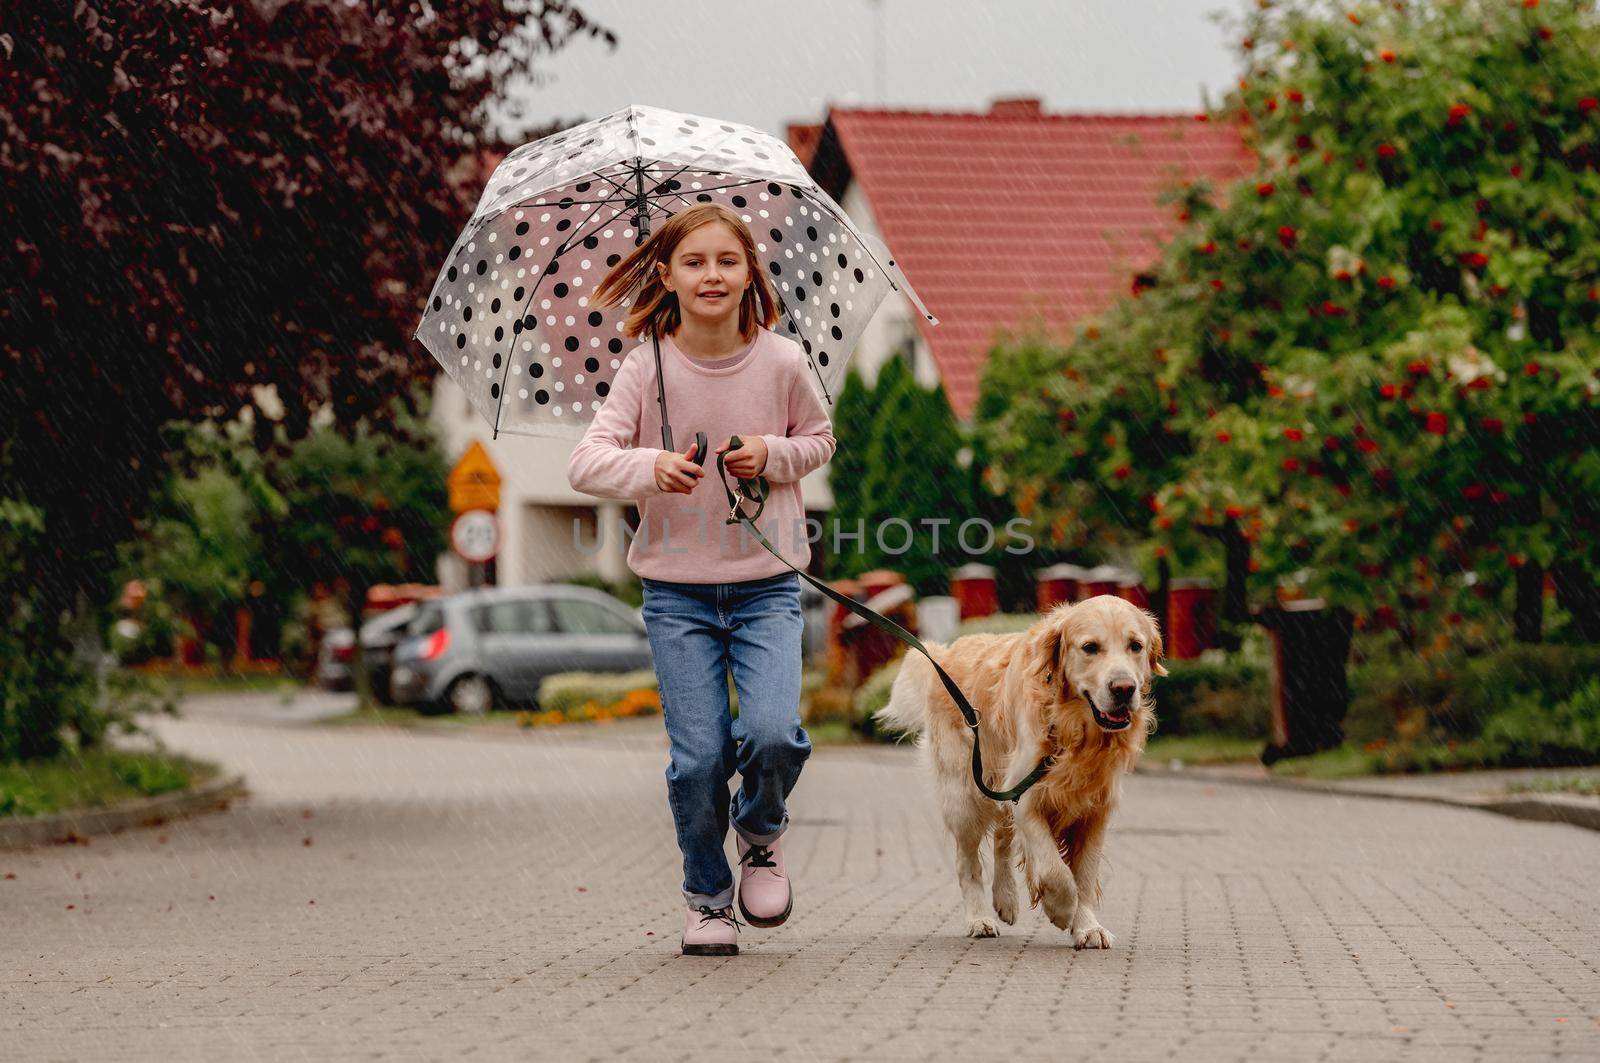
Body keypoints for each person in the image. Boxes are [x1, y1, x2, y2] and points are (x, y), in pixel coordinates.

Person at [566, 203, 836, 956]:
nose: (711, 274)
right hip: (677, 591)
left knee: (773, 733)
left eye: (726, 260)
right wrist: (649, 466)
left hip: (767, 583)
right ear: (667, 276)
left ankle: (760, 829)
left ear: (750, 270)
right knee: (699, 758)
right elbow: (586, 461)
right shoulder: (645, 365)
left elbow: (820, 439)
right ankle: (708, 896)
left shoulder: (782, 362)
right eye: (694, 262)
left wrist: (770, 453)